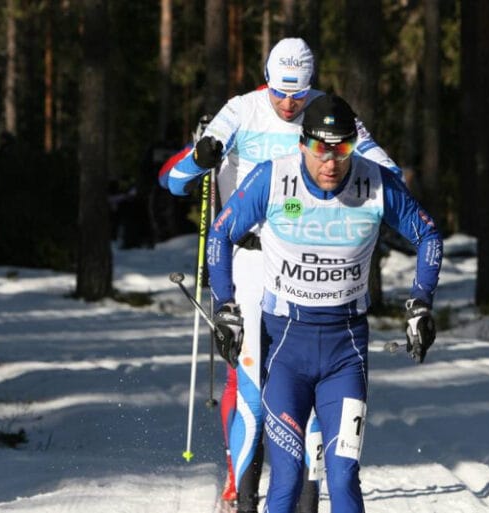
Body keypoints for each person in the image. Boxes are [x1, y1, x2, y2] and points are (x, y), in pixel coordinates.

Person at [167, 38, 402, 513]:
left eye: (299, 93)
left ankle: (305, 498)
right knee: (254, 391)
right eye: (280, 92)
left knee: (313, 393)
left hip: (308, 259)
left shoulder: (328, 114)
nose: (290, 103)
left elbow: (387, 170)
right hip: (248, 260)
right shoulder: (242, 110)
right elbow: (172, 181)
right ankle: (242, 492)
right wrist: (201, 156)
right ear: (267, 79)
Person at [206, 94, 443, 513]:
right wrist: (225, 305)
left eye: (343, 148)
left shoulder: (375, 183)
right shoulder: (272, 179)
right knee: (287, 477)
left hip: (345, 352)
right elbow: (220, 236)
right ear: (302, 144)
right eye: (320, 148)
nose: (331, 161)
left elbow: (428, 236)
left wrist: (421, 301)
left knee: (342, 475)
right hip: (284, 348)